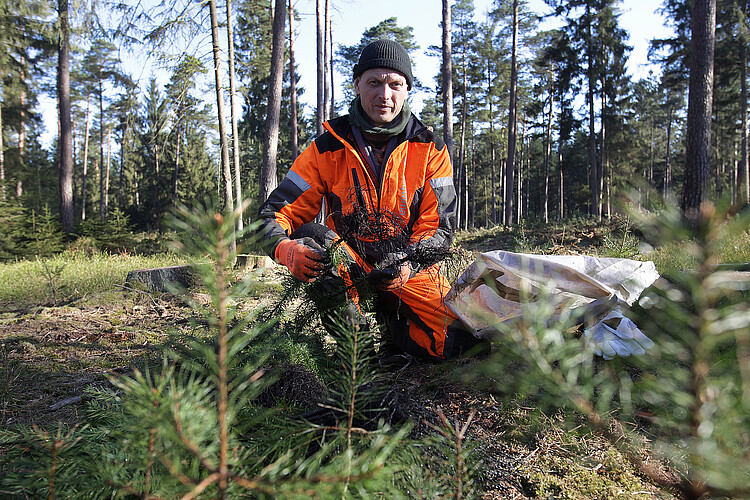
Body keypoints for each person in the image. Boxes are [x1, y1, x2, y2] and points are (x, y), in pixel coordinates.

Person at [256, 39, 488, 361]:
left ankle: (395, 330)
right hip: (349, 266)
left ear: (407, 89)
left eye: (395, 84)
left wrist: (407, 264)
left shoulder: (430, 148)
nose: (384, 95)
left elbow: (440, 227)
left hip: (409, 268)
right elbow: (273, 214)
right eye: (374, 82)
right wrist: (284, 248)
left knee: (465, 346)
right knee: (313, 235)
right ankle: (358, 349)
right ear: (357, 85)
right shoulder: (326, 148)